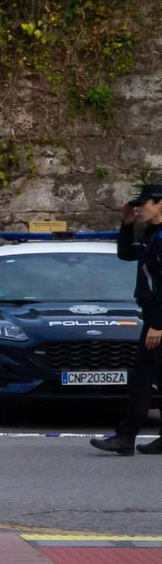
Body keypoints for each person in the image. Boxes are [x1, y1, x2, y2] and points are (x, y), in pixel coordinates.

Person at [91, 183, 162, 456]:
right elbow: (126, 253)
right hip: (153, 317)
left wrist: (158, 324)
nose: (139, 207)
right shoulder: (152, 234)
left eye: (144, 203)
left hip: (158, 321)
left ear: (159, 204)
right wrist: (127, 224)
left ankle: (125, 436)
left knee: (141, 379)